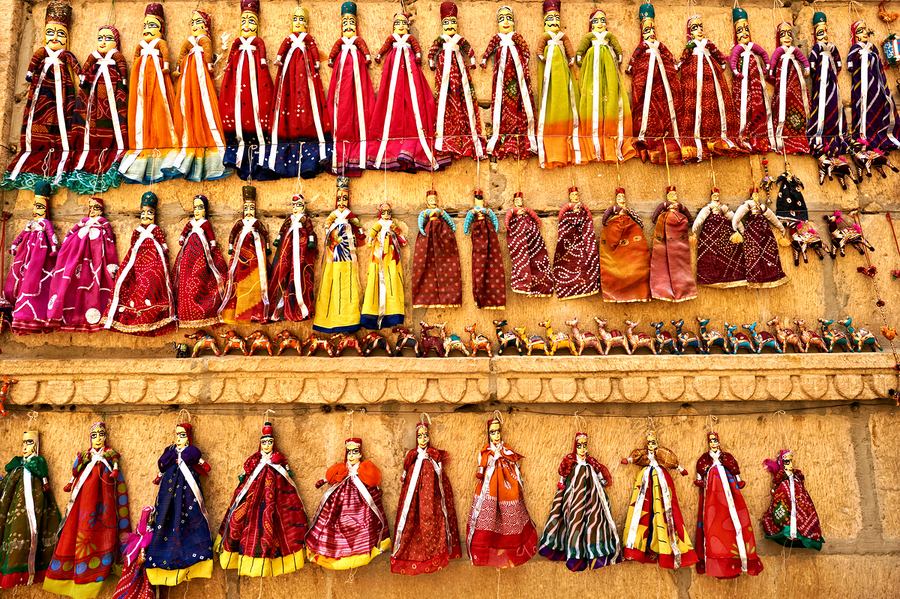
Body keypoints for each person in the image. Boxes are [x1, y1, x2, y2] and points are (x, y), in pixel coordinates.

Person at [43, 422, 130, 598]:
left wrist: (114, 471)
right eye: (94, 435)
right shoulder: (86, 455)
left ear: (105, 437)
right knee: (81, 519)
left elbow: (115, 464)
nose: (98, 438)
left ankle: (106, 565)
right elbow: (76, 470)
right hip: (86, 489)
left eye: (101, 434)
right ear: (90, 438)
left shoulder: (109, 453)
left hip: (105, 486)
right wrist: (69, 482)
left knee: (106, 518)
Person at [2, 1, 79, 192]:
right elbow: (34, 61)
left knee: (62, 115)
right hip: (42, 87)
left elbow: (75, 65)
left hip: (62, 86)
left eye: (60, 33)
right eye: (50, 32)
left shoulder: (65, 54)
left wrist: (82, 75)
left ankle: (59, 159)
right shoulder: (42, 52)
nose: (54, 37)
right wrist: (29, 73)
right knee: (38, 113)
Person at [217, 422, 308, 577]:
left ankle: (281, 559)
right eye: (264, 442)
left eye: (270, 442)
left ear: (274, 443)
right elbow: (245, 472)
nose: (267, 445)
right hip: (254, 491)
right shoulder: (255, 460)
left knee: (282, 519)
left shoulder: (277, 459)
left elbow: (287, 470)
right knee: (242, 517)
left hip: (276, 491)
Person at [306, 438, 391, 569]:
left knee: (366, 520)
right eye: (349, 452)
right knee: (331, 518)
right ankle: (333, 551)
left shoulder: (364, 470)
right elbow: (332, 477)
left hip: (360, 499)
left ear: (360, 454)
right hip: (341, 499)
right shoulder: (342, 469)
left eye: (355, 452)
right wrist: (323, 480)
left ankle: (362, 550)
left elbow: (372, 481)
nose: (351, 455)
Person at [145, 423, 213, 585]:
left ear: (188, 438)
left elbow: (203, 464)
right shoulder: (169, 452)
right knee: (163, 520)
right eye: (177, 435)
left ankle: (197, 563)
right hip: (168, 488)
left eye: (182, 435)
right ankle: (162, 564)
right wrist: (160, 474)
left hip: (188, 488)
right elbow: (162, 466)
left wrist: (204, 464)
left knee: (193, 518)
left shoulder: (191, 452)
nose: (179, 438)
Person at [466, 416, 537, 568]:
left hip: (506, 486)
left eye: (498, 431)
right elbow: (481, 467)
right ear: (488, 434)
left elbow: (514, 461)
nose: (496, 435)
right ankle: (485, 550)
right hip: (489, 486)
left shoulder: (506, 450)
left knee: (510, 510)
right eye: (493, 432)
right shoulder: (486, 452)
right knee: (487, 515)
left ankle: (513, 550)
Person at [391, 422, 461, 575]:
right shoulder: (413, 456)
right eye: (420, 436)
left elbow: (440, 468)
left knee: (430, 516)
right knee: (410, 517)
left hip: (430, 492)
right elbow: (406, 467)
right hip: (412, 491)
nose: (423, 439)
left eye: (425, 436)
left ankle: (436, 554)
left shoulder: (432, 457)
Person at [104, 192, 175, 336]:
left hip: (153, 258)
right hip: (137, 257)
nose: (145, 216)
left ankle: (154, 313)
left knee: (152, 280)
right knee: (132, 280)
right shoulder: (138, 230)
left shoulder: (155, 229)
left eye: (149, 213)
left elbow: (161, 239)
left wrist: (165, 247)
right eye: (143, 212)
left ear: (154, 215)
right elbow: (132, 243)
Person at [0, 430, 61, 588]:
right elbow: (8, 468)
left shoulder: (37, 463)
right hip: (15, 501)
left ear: (36, 445)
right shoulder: (18, 464)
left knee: (30, 528)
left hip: (34, 502)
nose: (25, 446)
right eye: (24, 442)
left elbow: (43, 472)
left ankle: (29, 569)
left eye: (29, 442)